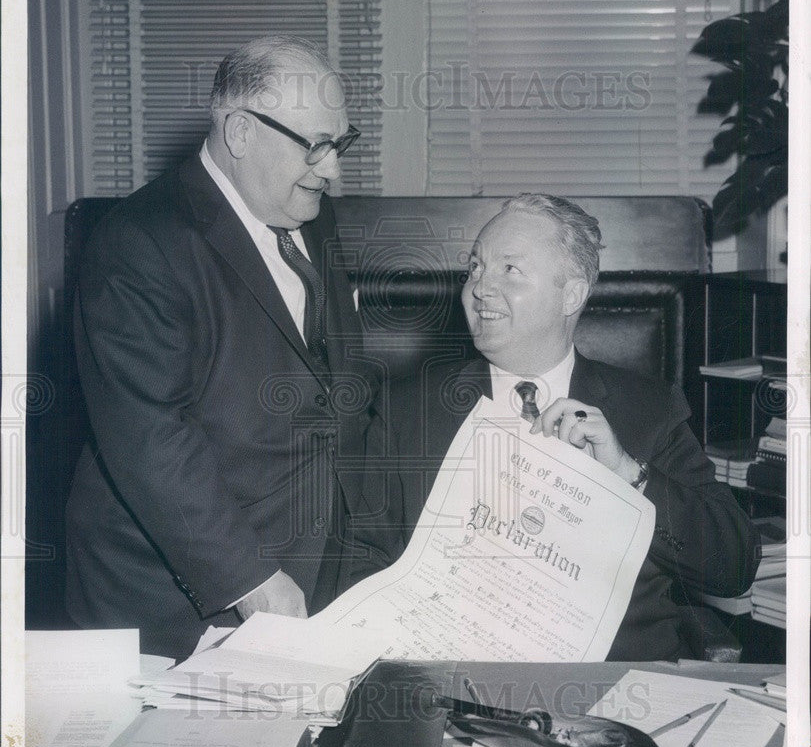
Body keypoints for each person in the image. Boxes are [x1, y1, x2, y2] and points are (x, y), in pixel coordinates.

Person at [66, 34, 382, 658]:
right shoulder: (138, 243)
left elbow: (336, 385)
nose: (334, 171)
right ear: (240, 131)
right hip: (171, 601)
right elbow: (151, 440)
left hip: (307, 571)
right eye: (316, 146)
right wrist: (253, 582)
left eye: (340, 143)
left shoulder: (307, 215)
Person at [367, 193, 758, 660]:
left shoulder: (649, 409)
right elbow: (363, 561)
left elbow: (731, 567)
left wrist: (628, 474)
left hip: (613, 687)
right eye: (475, 267)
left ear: (570, 294)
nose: (479, 287)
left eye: (509, 270)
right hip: (452, 681)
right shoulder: (406, 409)